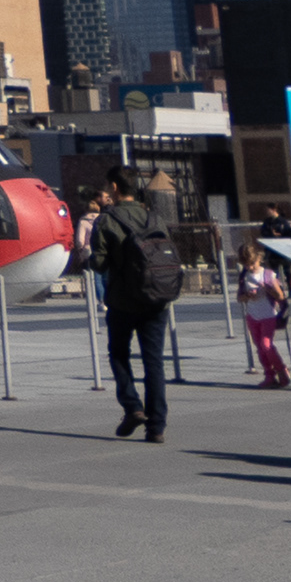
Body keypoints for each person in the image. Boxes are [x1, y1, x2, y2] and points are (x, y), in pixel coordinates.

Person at [88, 177, 180, 442]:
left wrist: (89, 257)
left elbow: (100, 264)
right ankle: (157, 427)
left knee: (118, 354)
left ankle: (132, 406)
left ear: (115, 188)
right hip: (156, 299)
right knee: (154, 362)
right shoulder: (155, 218)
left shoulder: (107, 220)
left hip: (122, 300)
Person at [237, 245, 291, 390]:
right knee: (260, 348)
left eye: (252, 263)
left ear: (259, 259)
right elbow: (239, 297)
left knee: (266, 345)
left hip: (268, 315)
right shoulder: (244, 275)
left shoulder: (268, 274)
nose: (249, 267)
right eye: (246, 264)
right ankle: (269, 375)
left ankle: (281, 369)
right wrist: (247, 296)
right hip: (252, 315)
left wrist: (268, 288)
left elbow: (280, 296)